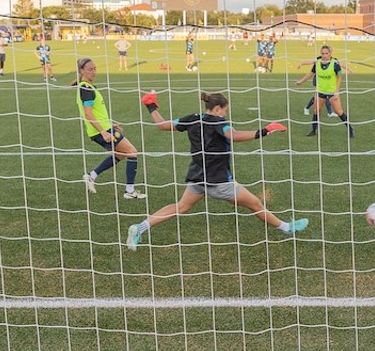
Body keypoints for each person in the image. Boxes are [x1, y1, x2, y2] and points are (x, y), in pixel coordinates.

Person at [126, 91, 304, 249]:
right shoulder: (219, 122)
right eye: (225, 110)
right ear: (218, 108)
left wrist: (150, 105)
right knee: (256, 204)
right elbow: (232, 135)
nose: (225, 113)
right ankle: (287, 228)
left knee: (180, 207)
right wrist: (265, 131)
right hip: (219, 182)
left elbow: (162, 125)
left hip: (197, 177)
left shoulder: (192, 118)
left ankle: (139, 228)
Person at [75, 58, 145, 199]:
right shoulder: (85, 88)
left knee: (120, 154)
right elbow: (88, 113)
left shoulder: (88, 87)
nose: (94, 72)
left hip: (102, 129)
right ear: (82, 71)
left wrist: (109, 124)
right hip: (100, 131)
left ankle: (91, 176)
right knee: (132, 152)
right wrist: (103, 131)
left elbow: (95, 112)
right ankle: (129, 191)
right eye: (90, 69)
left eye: (95, 68)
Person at [294, 44, 353, 137]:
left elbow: (339, 77)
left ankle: (350, 128)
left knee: (339, 111)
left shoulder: (335, 64)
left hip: (332, 92)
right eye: (322, 53)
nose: (324, 55)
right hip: (320, 91)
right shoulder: (317, 62)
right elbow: (311, 73)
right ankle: (313, 131)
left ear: (330, 53)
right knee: (316, 111)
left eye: (326, 53)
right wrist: (301, 81)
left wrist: (337, 92)